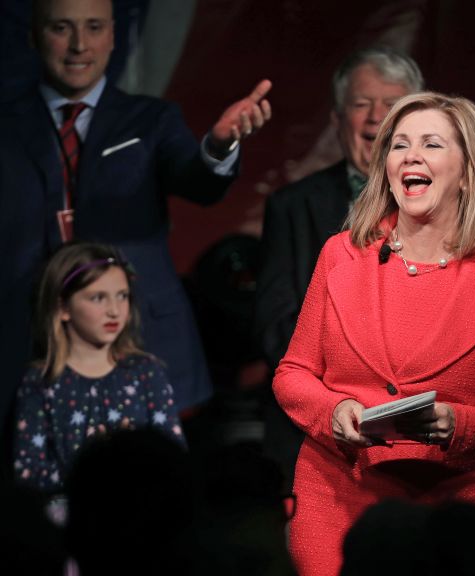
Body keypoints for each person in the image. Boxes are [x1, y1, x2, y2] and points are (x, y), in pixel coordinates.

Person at [272, 91, 475, 576]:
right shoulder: (341, 255)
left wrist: (462, 424)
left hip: (447, 504)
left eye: (431, 144)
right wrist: (333, 411)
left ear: (469, 173)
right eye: (399, 145)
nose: (411, 156)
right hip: (336, 490)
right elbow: (293, 373)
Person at [0, 0, 272, 451]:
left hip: (136, 346)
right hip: (22, 347)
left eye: (92, 28)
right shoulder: (6, 125)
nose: (78, 45)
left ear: (113, 36)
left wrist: (219, 147)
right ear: (33, 35)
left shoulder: (151, 120)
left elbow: (198, 182)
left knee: (140, 500)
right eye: (61, 28)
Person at [255, 47, 423, 481]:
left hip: (419, 435)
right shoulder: (292, 206)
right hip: (317, 433)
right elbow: (276, 324)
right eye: (361, 104)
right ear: (336, 119)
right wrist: (343, 398)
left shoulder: (454, 210)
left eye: (391, 105)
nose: (375, 117)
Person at [13, 242, 185, 494]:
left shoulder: (145, 372)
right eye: (98, 298)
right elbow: (28, 474)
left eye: (122, 296)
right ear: (63, 308)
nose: (114, 311)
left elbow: (176, 460)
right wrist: (93, 466)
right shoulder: (42, 381)